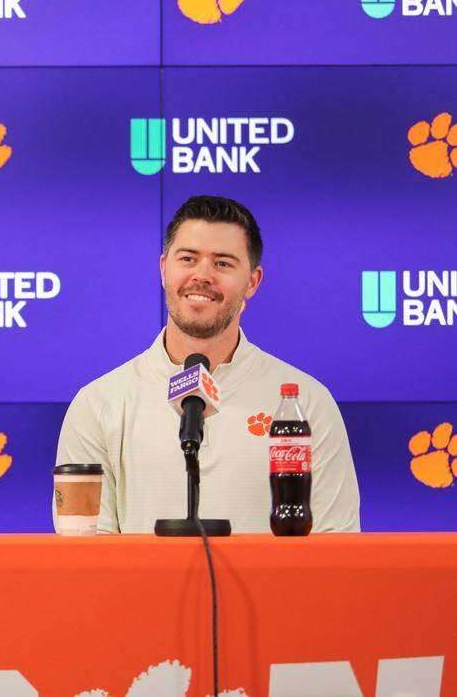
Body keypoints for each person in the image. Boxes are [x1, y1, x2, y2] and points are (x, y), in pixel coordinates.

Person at [56, 195, 360, 533]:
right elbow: (85, 558)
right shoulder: (98, 403)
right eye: (187, 258)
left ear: (253, 282)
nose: (202, 275)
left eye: (223, 263)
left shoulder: (304, 403)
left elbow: (336, 543)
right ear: (163, 269)